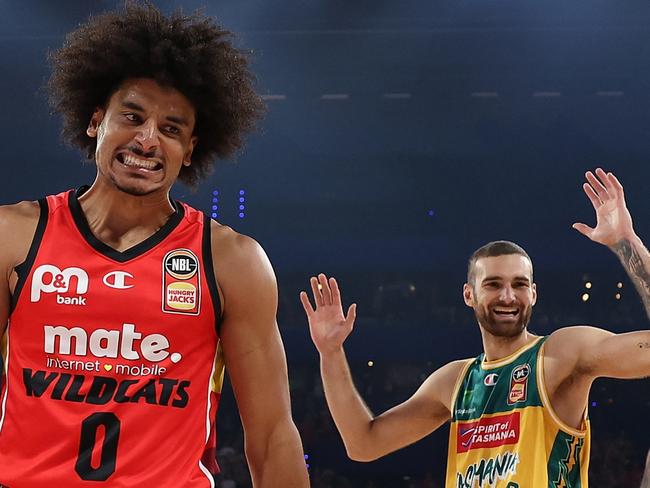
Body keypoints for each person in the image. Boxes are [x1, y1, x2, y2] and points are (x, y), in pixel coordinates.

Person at [0, 3, 308, 487]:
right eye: (132, 116)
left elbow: (272, 437)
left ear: (189, 150)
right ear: (95, 120)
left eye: (171, 129)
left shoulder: (232, 261)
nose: (147, 140)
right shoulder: (13, 237)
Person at [301, 168, 650, 487]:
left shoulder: (563, 353)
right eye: (493, 284)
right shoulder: (454, 381)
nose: (508, 296)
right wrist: (331, 353)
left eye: (519, 284)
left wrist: (626, 242)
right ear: (469, 295)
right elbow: (363, 444)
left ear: (534, 292)